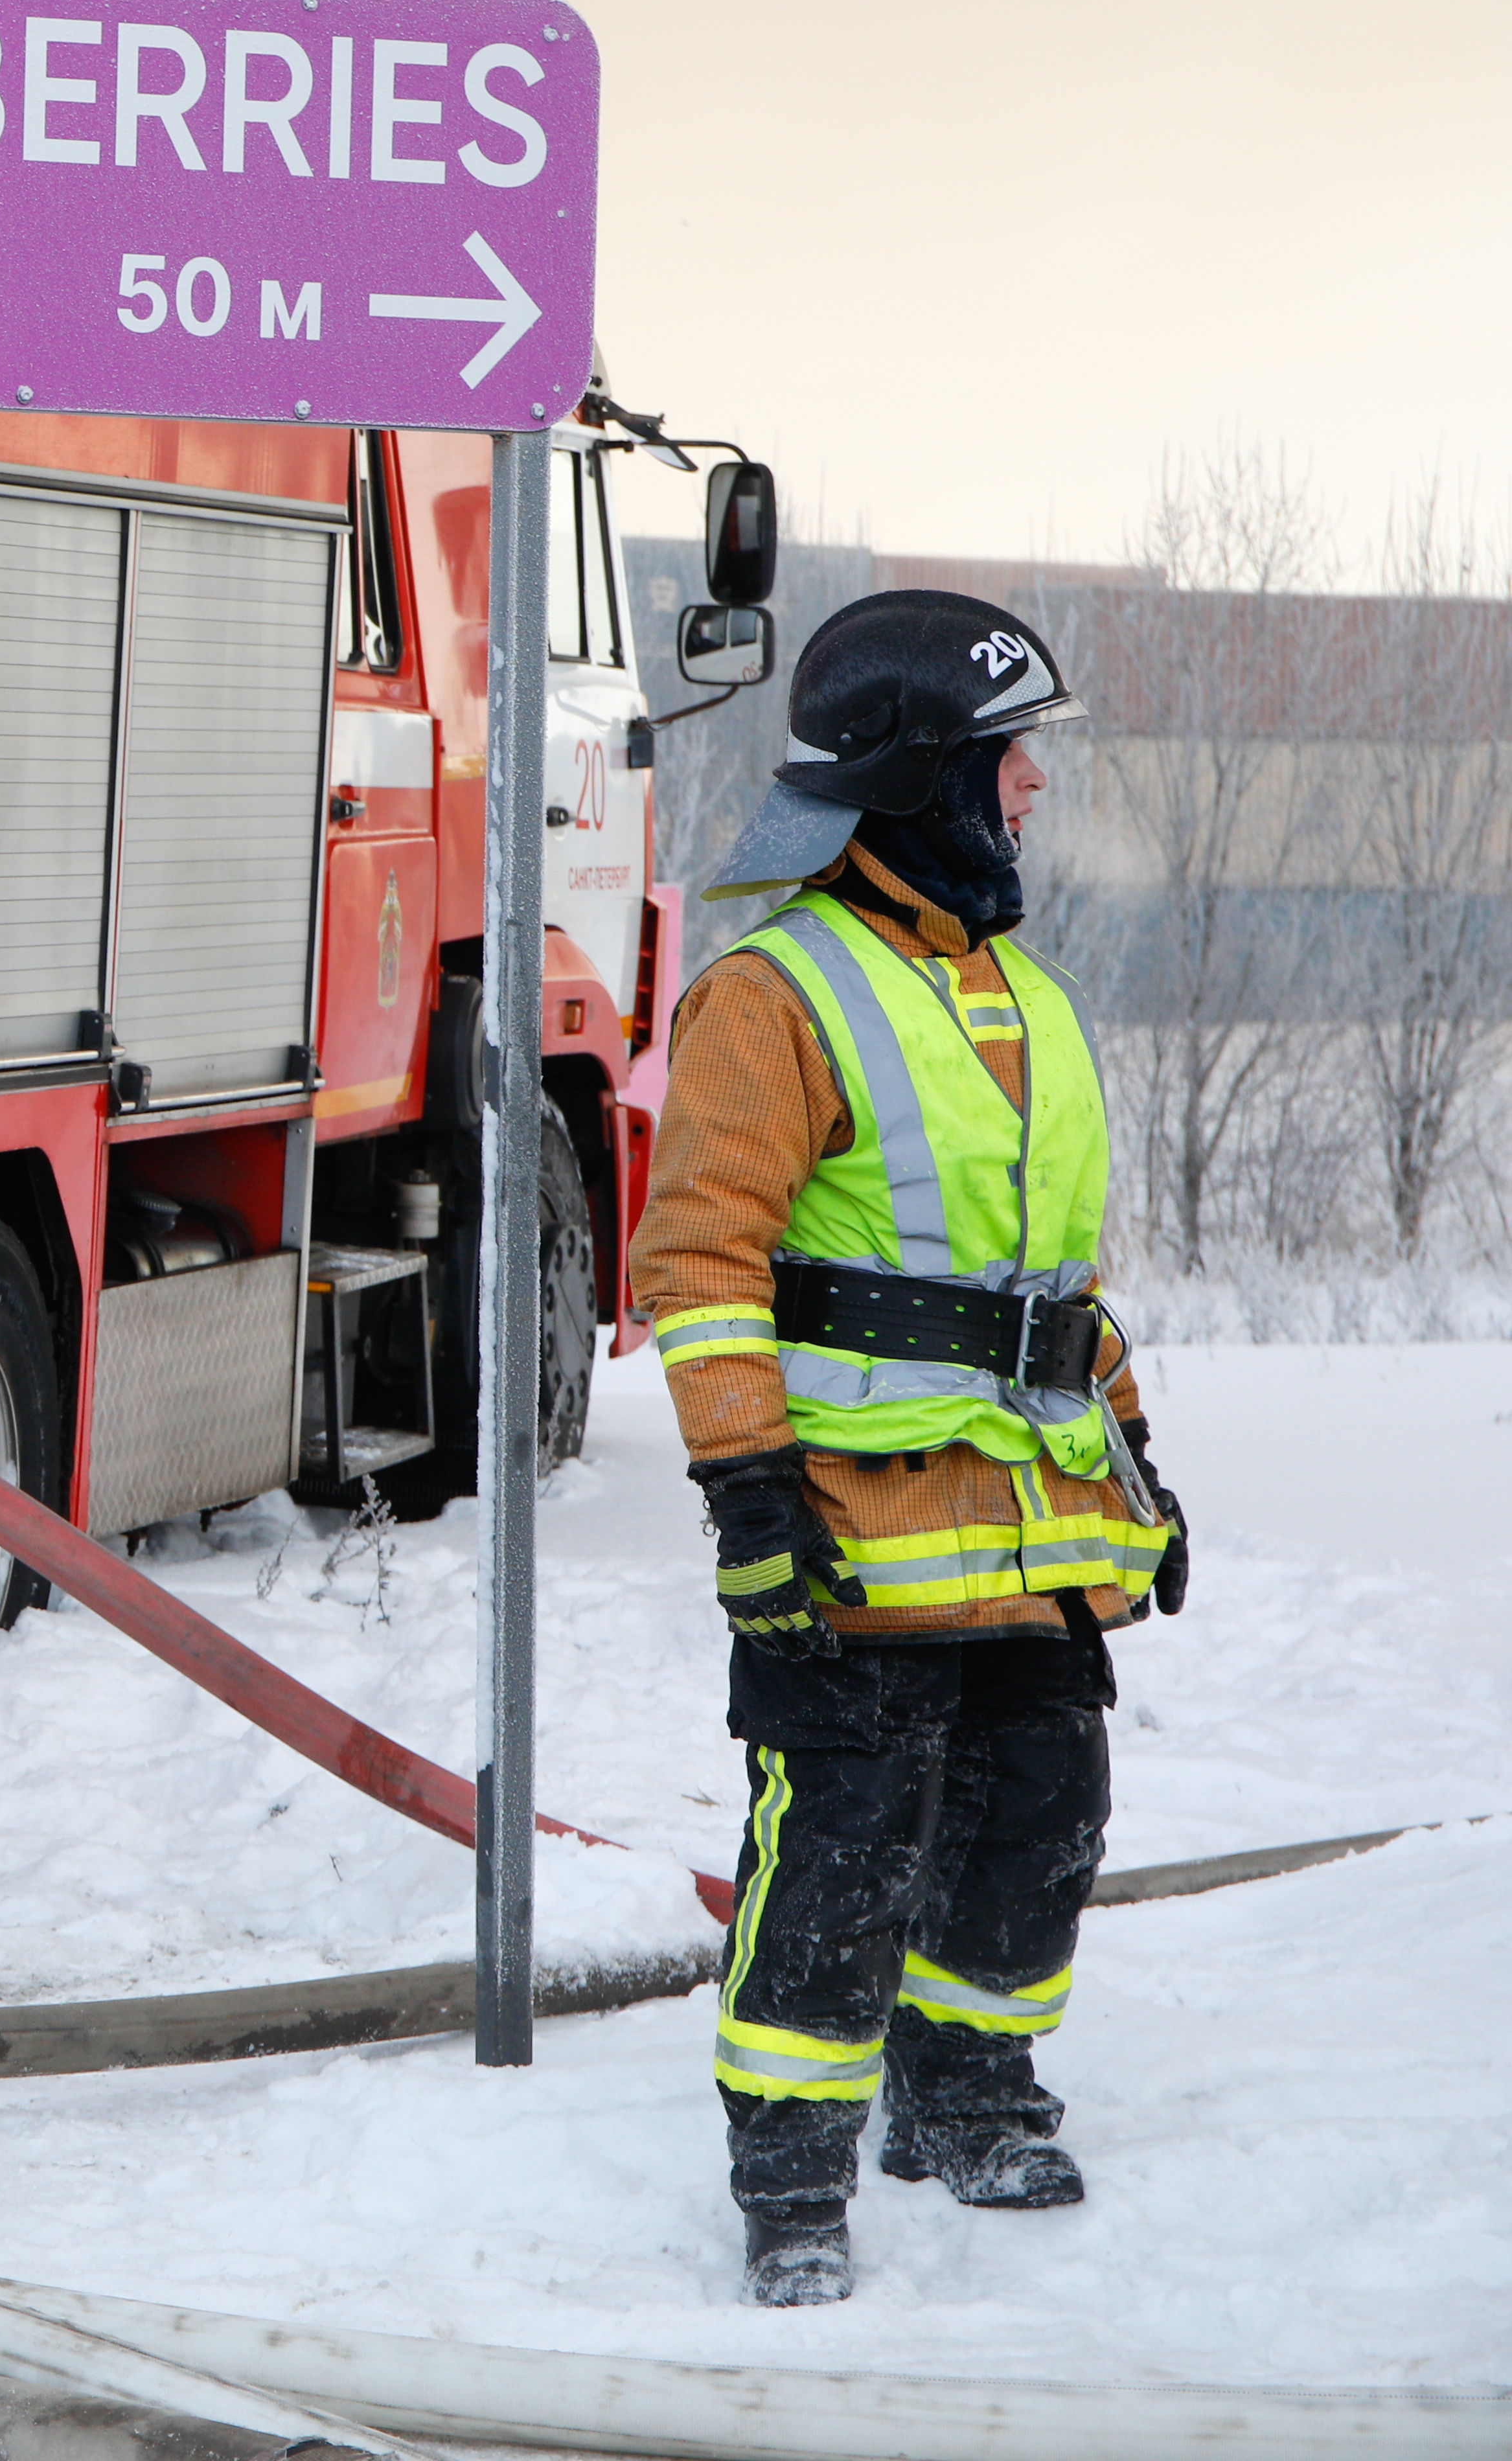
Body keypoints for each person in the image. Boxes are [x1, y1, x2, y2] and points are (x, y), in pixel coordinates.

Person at [641, 589, 1189, 2307]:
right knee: (846, 1850)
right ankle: (793, 2183)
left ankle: (963, 2100)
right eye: (1009, 753)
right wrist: (746, 1496)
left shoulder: (1021, 994)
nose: (1035, 785)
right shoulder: (774, 996)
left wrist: (1138, 1464)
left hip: (1030, 1537)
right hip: (853, 1534)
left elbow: (1051, 1292)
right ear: (923, 777)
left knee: (1044, 1813)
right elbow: (702, 1268)